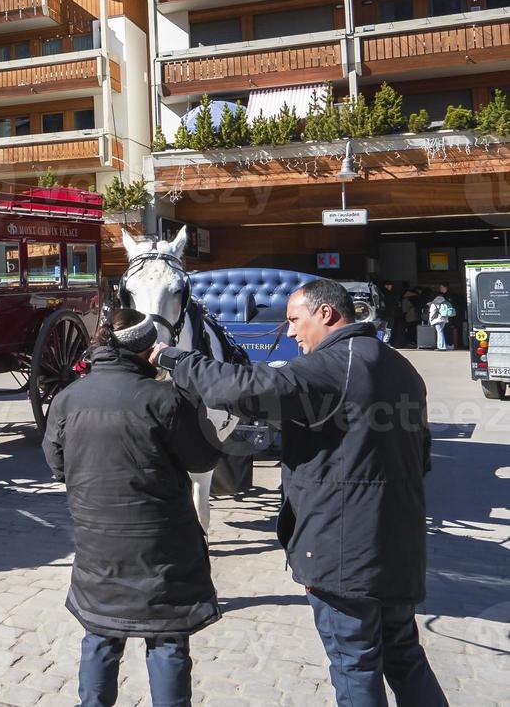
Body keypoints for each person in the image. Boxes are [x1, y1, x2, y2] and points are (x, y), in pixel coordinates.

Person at [152, 279, 445, 707]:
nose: (289, 332)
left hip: (344, 558)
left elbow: (245, 388)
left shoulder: (328, 368)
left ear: (325, 314)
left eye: (294, 320)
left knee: (356, 665)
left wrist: (178, 360)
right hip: (400, 550)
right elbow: (422, 460)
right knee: (405, 656)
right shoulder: (400, 367)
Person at [45, 308, 221, 707]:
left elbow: (57, 466)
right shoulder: (165, 399)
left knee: (100, 635)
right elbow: (203, 461)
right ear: (148, 351)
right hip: (163, 551)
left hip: (97, 547)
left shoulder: (67, 398)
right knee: (167, 640)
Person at [427, 285, 456, 352]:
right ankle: (444, 345)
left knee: (440, 332)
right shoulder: (444, 301)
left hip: (437, 319)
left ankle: (441, 346)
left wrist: (431, 321)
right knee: (442, 331)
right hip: (444, 319)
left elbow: (432, 313)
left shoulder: (434, 303)